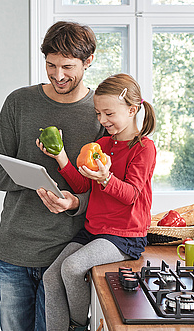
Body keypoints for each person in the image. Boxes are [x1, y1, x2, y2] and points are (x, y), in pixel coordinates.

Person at [0, 21, 106, 331]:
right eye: (51, 65)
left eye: (68, 66)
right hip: (14, 252)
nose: (58, 74)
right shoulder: (19, 102)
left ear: (88, 61)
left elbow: (110, 192)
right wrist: (36, 177)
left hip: (67, 256)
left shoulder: (101, 112)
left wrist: (74, 203)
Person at [38, 73, 157, 331]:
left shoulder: (143, 148)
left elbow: (131, 195)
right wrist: (61, 158)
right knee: (51, 277)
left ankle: (78, 327)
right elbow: (82, 185)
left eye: (109, 114)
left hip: (124, 236)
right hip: (94, 231)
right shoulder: (101, 144)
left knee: (72, 267)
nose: (102, 120)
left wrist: (106, 178)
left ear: (132, 109)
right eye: (98, 114)